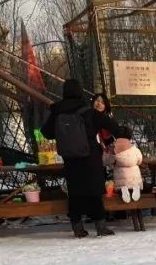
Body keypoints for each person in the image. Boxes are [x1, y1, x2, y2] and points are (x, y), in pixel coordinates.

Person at [41, 79, 126, 238]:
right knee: (95, 190)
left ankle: (77, 227)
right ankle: (100, 226)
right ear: (80, 92)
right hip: (90, 156)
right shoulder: (88, 111)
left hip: (70, 158)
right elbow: (112, 126)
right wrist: (123, 133)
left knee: (74, 192)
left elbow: (46, 132)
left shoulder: (57, 112)